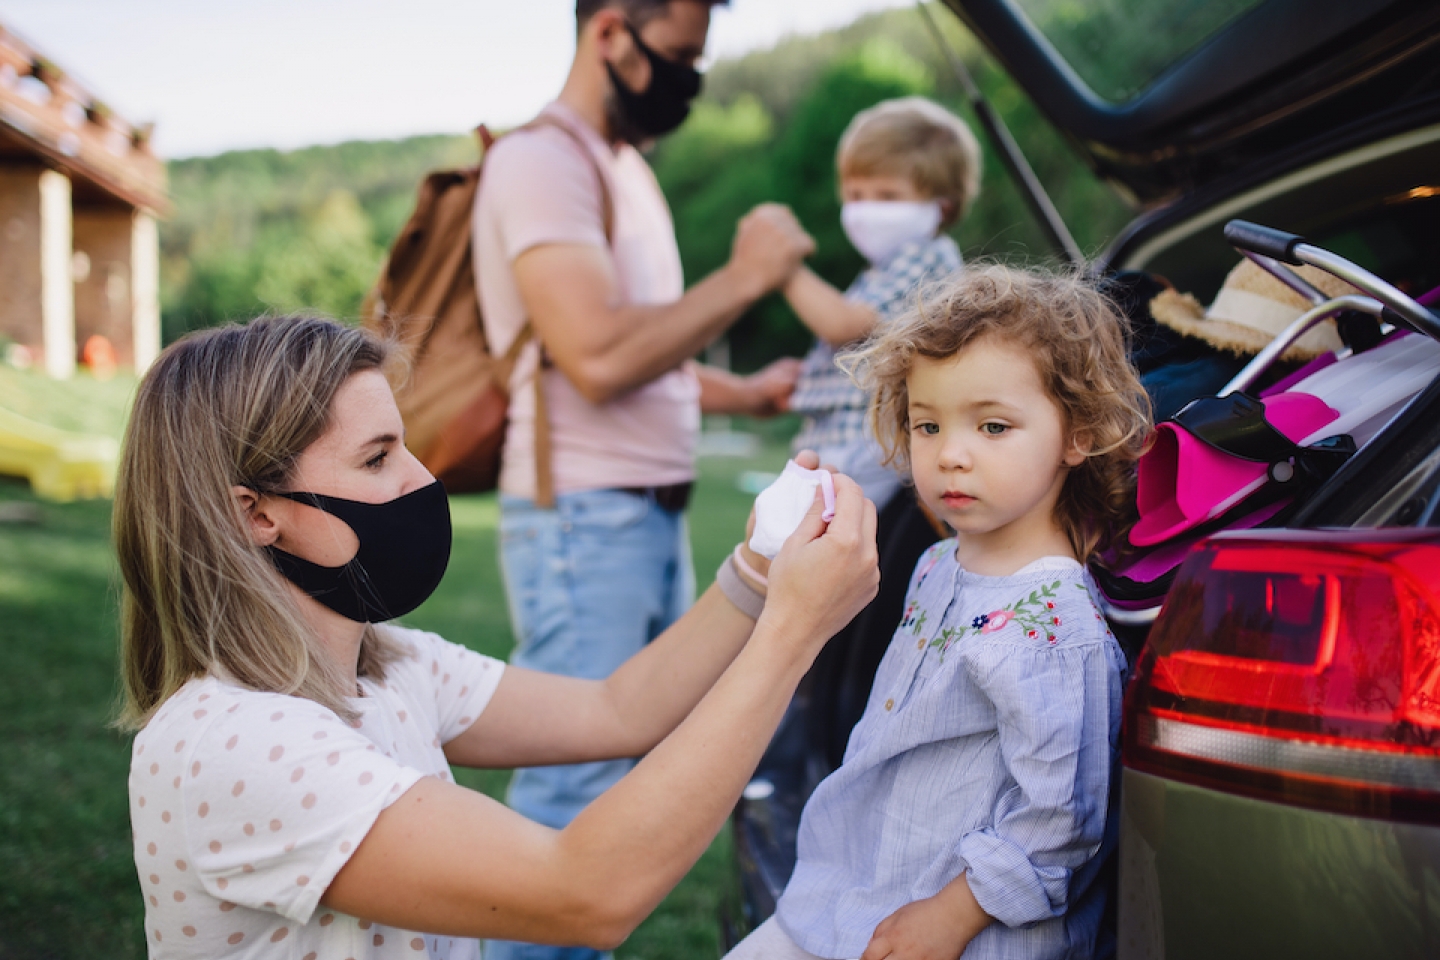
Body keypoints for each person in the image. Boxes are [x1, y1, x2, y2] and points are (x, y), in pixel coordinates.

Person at [116, 315, 878, 959]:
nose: (422, 478)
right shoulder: (236, 743)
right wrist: (793, 636)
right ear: (256, 513)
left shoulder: (387, 665)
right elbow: (584, 891)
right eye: (378, 457)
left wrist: (759, 569)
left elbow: (618, 711)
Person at [472, 9, 812, 951]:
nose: (689, 80)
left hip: (639, 512)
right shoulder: (543, 161)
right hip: (586, 515)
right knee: (574, 777)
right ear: (612, 34)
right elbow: (594, 353)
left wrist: (743, 393)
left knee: (623, 763)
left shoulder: (624, 168)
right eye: (680, 57)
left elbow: (644, 346)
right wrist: (745, 278)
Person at [725, 265, 1152, 960]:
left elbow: (1061, 819)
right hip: (858, 892)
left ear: (1077, 434)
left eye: (992, 426)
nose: (951, 455)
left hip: (957, 934)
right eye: (927, 425)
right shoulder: (937, 564)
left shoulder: (1053, 625)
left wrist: (951, 917)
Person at [784, 95, 978, 509]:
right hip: (839, 437)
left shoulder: (925, 258)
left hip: (862, 441)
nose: (866, 210)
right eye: (856, 195)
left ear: (941, 206)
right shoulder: (886, 267)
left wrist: (782, 268)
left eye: (887, 196)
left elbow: (843, 325)